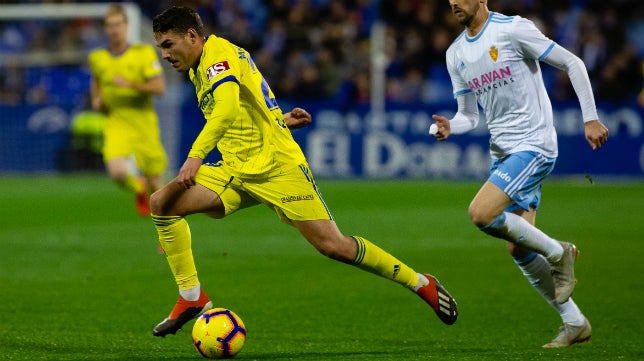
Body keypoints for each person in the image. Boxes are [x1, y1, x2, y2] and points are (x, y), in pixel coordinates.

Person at [149, 6, 458, 337]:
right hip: (235, 168)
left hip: (277, 167)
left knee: (334, 246)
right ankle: (192, 297)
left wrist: (194, 157)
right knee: (162, 204)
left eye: (168, 45)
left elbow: (224, 112)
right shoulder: (203, 65)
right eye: (161, 48)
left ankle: (420, 282)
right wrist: (279, 120)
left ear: (192, 36)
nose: (165, 55)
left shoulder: (217, 56)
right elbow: (247, 104)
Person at [430, 0, 609, 348]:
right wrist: (452, 125)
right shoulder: (455, 54)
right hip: (503, 152)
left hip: (535, 143)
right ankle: (574, 322)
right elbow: (470, 114)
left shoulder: (512, 29)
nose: (453, 2)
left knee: (481, 213)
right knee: (519, 247)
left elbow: (572, 62)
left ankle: (560, 253)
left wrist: (590, 117)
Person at [88, 4, 168, 216]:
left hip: (143, 122)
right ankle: (138, 188)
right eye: (109, 25)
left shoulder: (143, 53)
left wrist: (130, 85)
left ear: (126, 26)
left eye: (118, 24)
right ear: (105, 29)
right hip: (116, 121)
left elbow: (160, 87)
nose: (114, 29)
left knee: (156, 183)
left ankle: (168, 228)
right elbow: (96, 82)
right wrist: (97, 100)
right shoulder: (98, 58)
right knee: (117, 172)